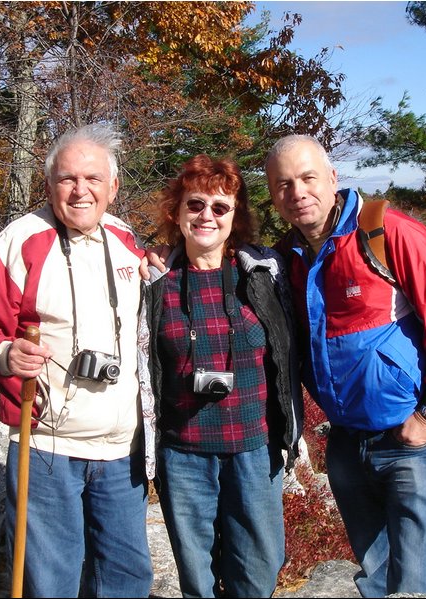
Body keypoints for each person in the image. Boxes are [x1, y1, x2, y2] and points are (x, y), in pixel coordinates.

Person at [264, 135, 426, 598]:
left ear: (333, 178)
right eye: (283, 184)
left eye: (308, 178)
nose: (298, 192)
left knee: (410, 584)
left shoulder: (387, 233)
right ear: (272, 194)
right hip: (345, 439)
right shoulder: (288, 258)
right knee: (374, 576)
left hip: (410, 439)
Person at [0, 123, 154, 598]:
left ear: (114, 187)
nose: (80, 191)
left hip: (122, 449)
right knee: (50, 582)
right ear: (49, 185)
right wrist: (5, 355)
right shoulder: (22, 240)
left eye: (93, 179)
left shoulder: (127, 240)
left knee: (127, 577)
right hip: (46, 447)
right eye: (67, 179)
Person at [143, 154, 302, 598]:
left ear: (237, 216)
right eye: (195, 205)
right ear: (177, 211)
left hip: (255, 450)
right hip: (184, 453)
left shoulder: (266, 274)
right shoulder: (153, 282)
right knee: (196, 576)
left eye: (220, 207)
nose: (206, 216)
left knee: (257, 570)